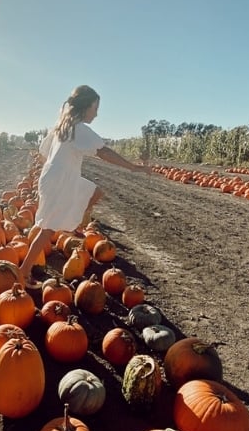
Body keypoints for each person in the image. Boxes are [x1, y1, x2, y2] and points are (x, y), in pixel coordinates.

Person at [20, 84, 155, 288]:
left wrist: (60, 165)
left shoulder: (61, 127)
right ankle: (23, 272)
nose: (97, 113)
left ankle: (72, 226)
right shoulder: (78, 128)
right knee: (46, 229)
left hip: (57, 177)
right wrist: (133, 168)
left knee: (94, 193)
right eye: (95, 108)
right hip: (61, 180)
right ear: (85, 107)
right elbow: (104, 152)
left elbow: (43, 152)